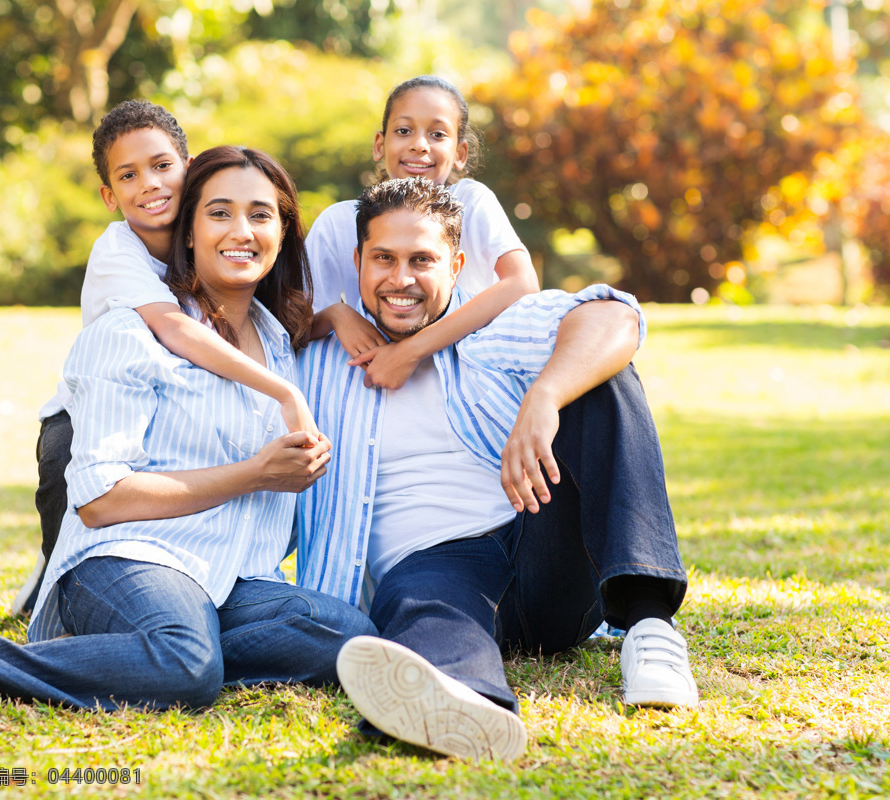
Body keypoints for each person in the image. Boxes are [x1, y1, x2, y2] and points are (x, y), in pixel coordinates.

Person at [0, 147, 375, 710]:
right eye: (219, 213)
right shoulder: (131, 332)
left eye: (260, 214)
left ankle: (116, 657)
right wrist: (254, 475)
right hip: (129, 559)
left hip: (230, 579)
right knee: (186, 665)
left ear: (282, 232)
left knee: (348, 635)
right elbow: (100, 500)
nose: (241, 231)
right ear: (188, 231)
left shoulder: (279, 344)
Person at [293, 178, 697, 762]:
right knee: (423, 605)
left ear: (456, 266)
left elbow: (615, 318)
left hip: (540, 538)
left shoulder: (484, 330)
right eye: (383, 258)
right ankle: (463, 704)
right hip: (433, 562)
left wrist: (545, 397)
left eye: (422, 261)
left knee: (600, 375)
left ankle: (650, 623)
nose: (401, 279)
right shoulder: (316, 363)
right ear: (357, 261)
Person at [12, 101, 319, 616]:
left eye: (161, 166)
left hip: (150, 407)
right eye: (128, 176)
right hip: (79, 414)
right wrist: (282, 389)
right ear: (110, 196)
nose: (149, 184)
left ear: (188, 167)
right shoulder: (120, 252)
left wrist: (329, 318)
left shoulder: (207, 228)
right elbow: (176, 328)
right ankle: (57, 584)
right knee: (75, 499)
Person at [307, 75, 539, 391]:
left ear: (460, 152)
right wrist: (336, 314)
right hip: (366, 382)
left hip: (467, 379)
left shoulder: (472, 201)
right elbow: (295, 320)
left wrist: (412, 350)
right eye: (404, 131)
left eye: (437, 134)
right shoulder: (339, 222)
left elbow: (523, 284)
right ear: (380, 144)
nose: (419, 144)